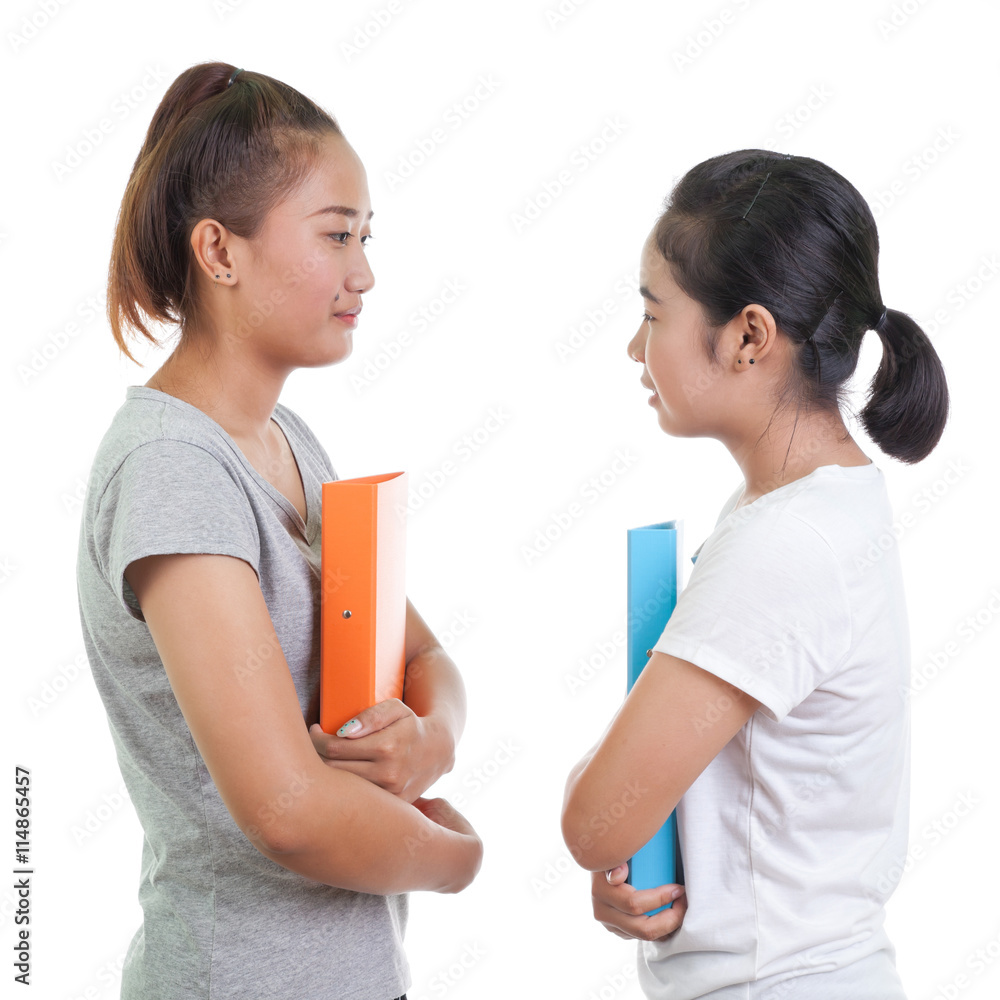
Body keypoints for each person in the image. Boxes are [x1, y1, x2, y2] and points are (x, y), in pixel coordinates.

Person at [76, 62, 482, 1000]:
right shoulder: (173, 469)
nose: (365, 272)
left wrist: (432, 739)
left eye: (365, 237)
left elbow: (424, 652)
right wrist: (453, 858)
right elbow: (287, 812)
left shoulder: (287, 442)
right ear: (219, 252)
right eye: (337, 236)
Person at [561, 149, 948, 999]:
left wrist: (606, 818)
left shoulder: (785, 545)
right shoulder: (816, 507)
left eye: (653, 314)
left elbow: (594, 821)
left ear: (748, 336)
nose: (635, 346)